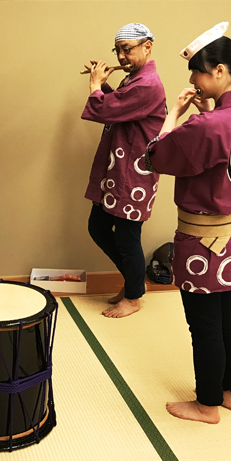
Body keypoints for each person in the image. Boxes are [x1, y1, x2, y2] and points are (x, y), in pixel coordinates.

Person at [146, 22, 231, 424]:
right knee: (229, 315)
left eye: (197, 73)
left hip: (203, 241)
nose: (193, 82)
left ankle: (206, 405)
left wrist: (173, 114)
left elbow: (155, 156)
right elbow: (221, 153)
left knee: (204, 325)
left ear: (219, 71)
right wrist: (206, 114)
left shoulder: (208, 125)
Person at [82, 23, 166, 318]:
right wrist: (105, 87)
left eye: (127, 49)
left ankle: (133, 296)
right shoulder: (135, 79)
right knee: (98, 227)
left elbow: (106, 109)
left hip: (135, 173)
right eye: (117, 50)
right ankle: (134, 283)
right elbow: (119, 107)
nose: (120, 56)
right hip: (119, 169)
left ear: (147, 46)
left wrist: (95, 87)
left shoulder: (148, 83)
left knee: (127, 238)